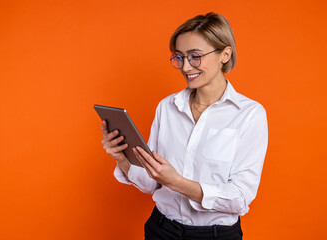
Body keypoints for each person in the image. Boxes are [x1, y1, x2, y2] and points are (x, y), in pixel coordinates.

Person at [100, 12, 268, 240]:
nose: (186, 67)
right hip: (161, 230)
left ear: (225, 55)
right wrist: (122, 158)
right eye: (179, 57)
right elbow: (151, 183)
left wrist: (178, 183)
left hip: (216, 236)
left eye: (195, 56)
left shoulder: (250, 115)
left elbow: (240, 197)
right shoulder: (167, 107)